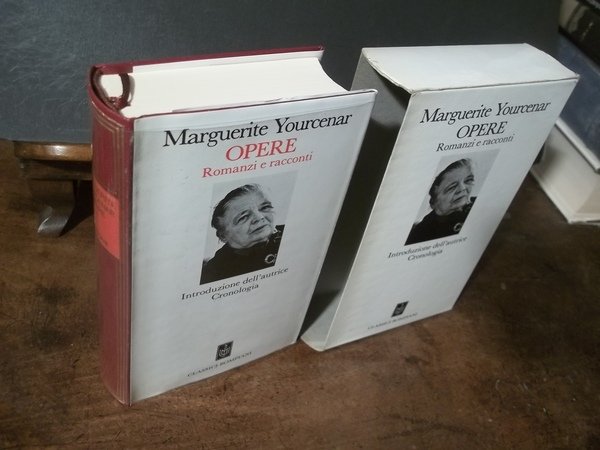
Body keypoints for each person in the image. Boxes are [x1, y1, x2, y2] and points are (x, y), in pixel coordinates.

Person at [201, 183, 284, 284]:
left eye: (265, 207)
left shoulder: (287, 235)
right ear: (224, 235)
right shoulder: (215, 270)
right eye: (243, 217)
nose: (259, 217)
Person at [405, 158, 476, 245]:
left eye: (468, 180)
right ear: (434, 201)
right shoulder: (422, 232)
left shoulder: (476, 205)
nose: (462, 188)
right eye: (452, 187)